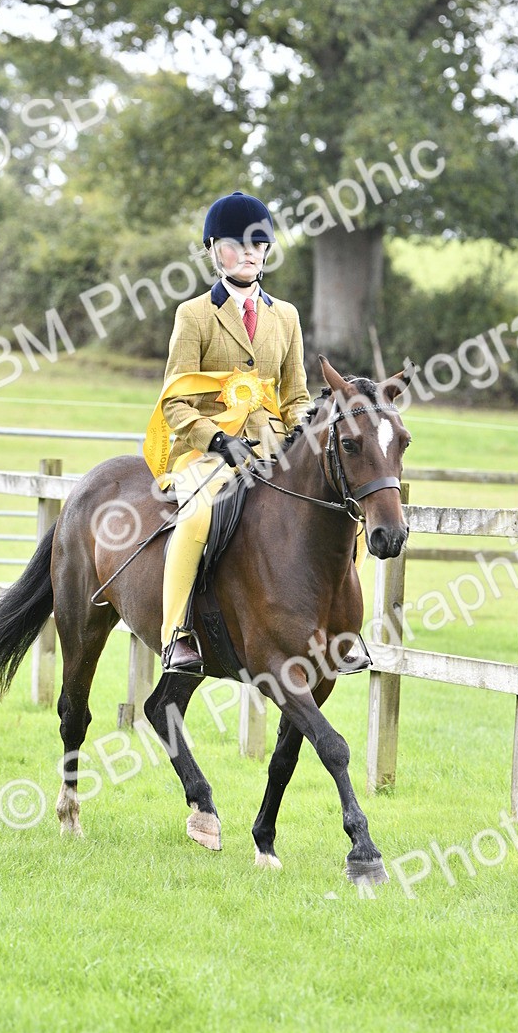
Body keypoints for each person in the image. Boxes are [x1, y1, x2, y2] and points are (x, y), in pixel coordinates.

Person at [143, 190, 369, 675]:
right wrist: (215, 440)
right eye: (236, 244)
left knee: (344, 510)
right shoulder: (194, 315)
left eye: (258, 244)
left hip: (274, 448)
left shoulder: (285, 315)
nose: (249, 253)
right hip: (208, 453)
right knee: (198, 516)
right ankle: (176, 634)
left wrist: (304, 434)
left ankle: (342, 630)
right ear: (213, 250)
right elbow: (175, 401)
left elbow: (296, 395)